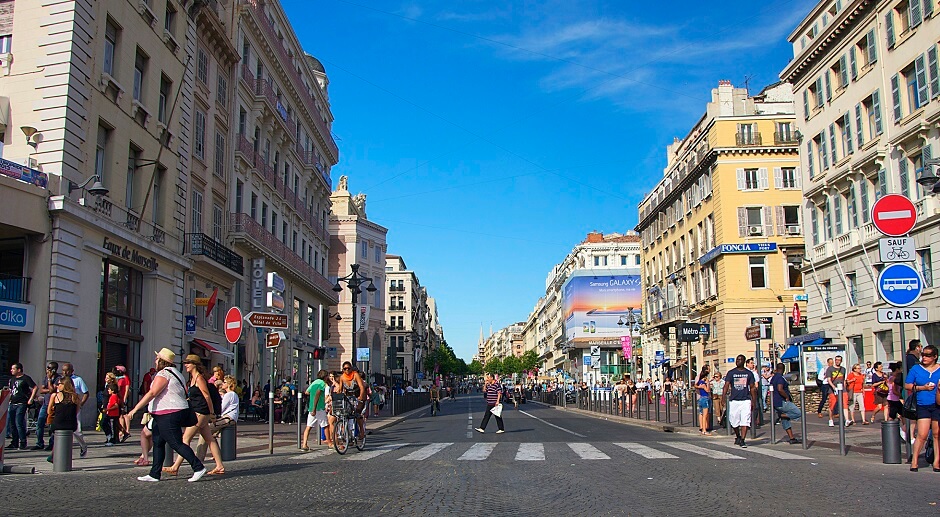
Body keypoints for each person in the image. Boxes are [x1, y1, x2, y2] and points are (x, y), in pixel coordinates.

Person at [127, 348, 208, 482]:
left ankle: (198, 467)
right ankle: (154, 473)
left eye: (157, 358)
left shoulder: (164, 374)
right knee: (158, 442)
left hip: (169, 413)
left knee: (176, 443)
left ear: (162, 361)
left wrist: (135, 409)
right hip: (165, 413)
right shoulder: (177, 373)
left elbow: (153, 392)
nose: (155, 360)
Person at [165, 354, 225, 476]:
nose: (186, 365)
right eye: (185, 363)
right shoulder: (192, 378)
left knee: (185, 439)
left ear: (194, 365)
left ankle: (175, 466)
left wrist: (212, 413)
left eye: (188, 363)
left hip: (201, 412)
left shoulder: (199, 378)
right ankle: (220, 466)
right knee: (209, 439)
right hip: (198, 411)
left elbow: (206, 395)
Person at [904, 344, 940, 471]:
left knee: (937, 434)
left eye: (928, 355)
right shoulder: (916, 369)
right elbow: (907, 385)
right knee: (922, 434)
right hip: (922, 404)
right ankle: (914, 461)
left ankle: (937, 462)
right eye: (923, 354)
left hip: (937, 405)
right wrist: (922, 388)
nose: (924, 357)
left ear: (935, 357)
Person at [722, 354, 756, 448]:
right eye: (737, 359)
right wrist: (723, 397)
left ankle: (743, 440)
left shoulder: (749, 373)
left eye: (740, 359)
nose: (738, 361)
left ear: (744, 361)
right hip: (734, 400)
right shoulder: (731, 373)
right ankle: (738, 436)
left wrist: (753, 401)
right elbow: (726, 385)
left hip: (745, 400)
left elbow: (752, 388)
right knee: (734, 421)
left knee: (745, 420)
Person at [46, 376, 81, 464]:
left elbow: (49, 411)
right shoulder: (75, 397)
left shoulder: (55, 396)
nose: (57, 386)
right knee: (66, 439)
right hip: (71, 424)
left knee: (56, 438)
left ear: (65, 385)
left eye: (59, 384)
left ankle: (54, 455)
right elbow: (76, 411)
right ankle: (56, 456)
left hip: (58, 423)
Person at [7, 362, 39, 450]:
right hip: (13, 403)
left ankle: (23, 442)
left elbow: (35, 387)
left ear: (19, 370)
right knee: (12, 423)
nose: (11, 370)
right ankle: (14, 442)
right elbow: (11, 391)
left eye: (13, 369)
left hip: (21, 403)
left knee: (19, 422)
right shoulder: (12, 379)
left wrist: (31, 399)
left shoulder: (26, 378)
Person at [61, 363, 89, 458]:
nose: (65, 372)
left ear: (72, 371)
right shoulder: (61, 380)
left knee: (77, 430)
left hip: (74, 406)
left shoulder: (78, 380)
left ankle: (83, 446)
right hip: (63, 406)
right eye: (63, 370)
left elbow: (86, 393)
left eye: (67, 370)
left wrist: (80, 404)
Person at [769, 363, 802, 444]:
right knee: (798, 413)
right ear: (783, 369)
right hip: (782, 401)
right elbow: (780, 389)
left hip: (776, 402)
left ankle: (791, 438)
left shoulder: (773, 378)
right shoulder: (780, 378)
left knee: (786, 420)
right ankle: (780, 416)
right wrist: (786, 397)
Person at [34, 361, 60, 451]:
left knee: (51, 425)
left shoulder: (58, 378)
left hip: (53, 405)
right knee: (39, 423)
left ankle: (51, 444)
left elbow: (53, 390)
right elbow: (41, 390)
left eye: (49, 368)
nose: (47, 370)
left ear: (54, 369)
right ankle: (39, 443)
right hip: (45, 403)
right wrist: (49, 389)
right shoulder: (45, 377)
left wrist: (49, 381)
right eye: (47, 368)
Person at [302, 370, 329, 450]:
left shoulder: (314, 382)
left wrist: (312, 394)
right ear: (325, 376)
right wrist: (315, 403)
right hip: (319, 407)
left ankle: (304, 444)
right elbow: (318, 393)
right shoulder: (322, 383)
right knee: (325, 426)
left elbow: (307, 392)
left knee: (308, 426)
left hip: (311, 407)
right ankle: (330, 442)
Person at [339, 362, 367, 438]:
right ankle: (349, 436)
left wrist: (361, 396)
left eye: (348, 368)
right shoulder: (342, 377)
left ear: (351, 368)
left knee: (357, 414)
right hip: (349, 398)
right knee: (346, 414)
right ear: (343, 369)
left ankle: (362, 431)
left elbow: (361, 387)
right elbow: (340, 390)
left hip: (358, 396)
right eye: (345, 369)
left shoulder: (355, 375)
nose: (347, 370)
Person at [826, 356, 850, 427]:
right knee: (832, 405)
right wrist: (834, 387)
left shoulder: (843, 369)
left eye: (839, 360)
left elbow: (844, 380)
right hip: (833, 389)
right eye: (836, 360)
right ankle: (830, 419)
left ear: (841, 361)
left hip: (842, 389)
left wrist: (845, 388)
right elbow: (829, 380)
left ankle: (847, 420)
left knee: (845, 404)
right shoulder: (830, 369)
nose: (837, 361)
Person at [887, 363, 907, 441]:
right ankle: (901, 429)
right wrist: (902, 396)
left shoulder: (891, 377)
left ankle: (901, 428)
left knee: (898, 414)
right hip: (894, 399)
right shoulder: (894, 378)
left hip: (892, 398)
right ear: (897, 369)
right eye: (900, 369)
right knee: (896, 414)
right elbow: (895, 391)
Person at [115, 365, 132, 442]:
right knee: (120, 416)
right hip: (118, 399)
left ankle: (127, 430)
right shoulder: (118, 378)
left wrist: (124, 399)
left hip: (123, 399)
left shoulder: (125, 378)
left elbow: (127, 389)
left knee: (125, 414)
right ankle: (122, 430)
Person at [695, 368, 711, 435]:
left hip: (701, 398)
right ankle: (704, 430)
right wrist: (707, 384)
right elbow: (708, 390)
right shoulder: (704, 383)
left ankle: (702, 428)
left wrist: (699, 387)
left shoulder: (699, 382)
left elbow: (695, 385)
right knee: (705, 415)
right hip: (705, 398)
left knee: (701, 413)